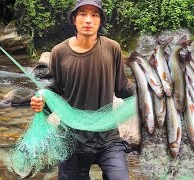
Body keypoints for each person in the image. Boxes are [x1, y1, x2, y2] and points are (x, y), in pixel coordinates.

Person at [30, 0, 135, 179]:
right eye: (83, 14)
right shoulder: (59, 52)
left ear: (100, 21)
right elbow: (55, 91)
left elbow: (123, 88)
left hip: (107, 137)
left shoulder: (112, 48)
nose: (88, 20)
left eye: (94, 15)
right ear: (74, 19)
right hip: (71, 139)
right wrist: (41, 102)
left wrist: (147, 91)